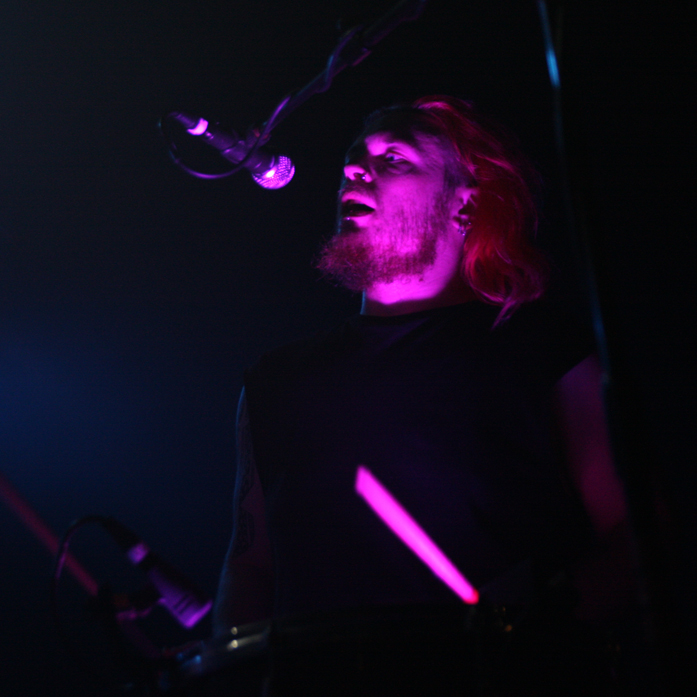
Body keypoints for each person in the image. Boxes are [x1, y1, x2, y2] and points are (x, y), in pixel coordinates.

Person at [212, 97, 632, 695]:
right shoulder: (274, 381)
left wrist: (533, 623)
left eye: (395, 158)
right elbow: (250, 567)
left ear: (465, 203)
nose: (354, 168)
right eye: (354, 156)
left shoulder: (542, 351)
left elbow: (638, 537)